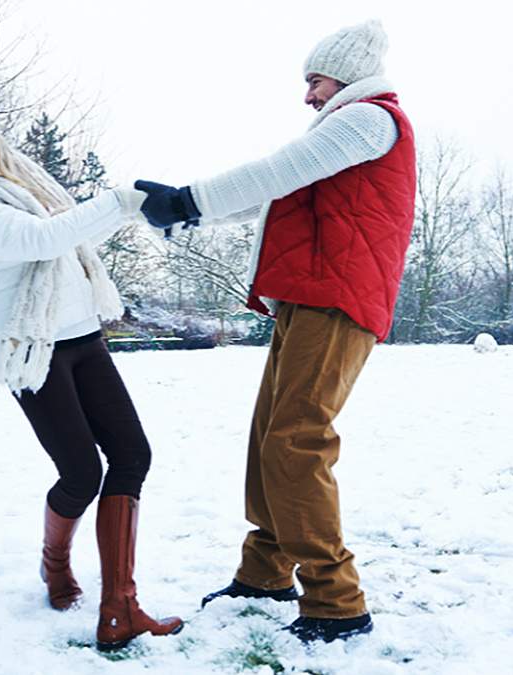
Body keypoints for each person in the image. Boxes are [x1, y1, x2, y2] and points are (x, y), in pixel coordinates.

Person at [0, 54, 182, 652]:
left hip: (82, 335)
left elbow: (68, 233)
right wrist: (123, 200)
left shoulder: (18, 176)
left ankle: (119, 606)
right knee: (80, 473)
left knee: (132, 455)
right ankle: (55, 563)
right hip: (31, 349)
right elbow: (42, 239)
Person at [134, 20, 416, 644]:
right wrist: (191, 213)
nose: (308, 96)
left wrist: (189, 200)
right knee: (272, 435)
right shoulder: (351, 126)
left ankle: (336, 600)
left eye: (314, 81)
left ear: (346, 75)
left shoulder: (371, 119)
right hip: (309, 300)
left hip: (338, 301)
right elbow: (271, 192)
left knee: (296, 441)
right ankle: (265, 571)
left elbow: (275, 170)